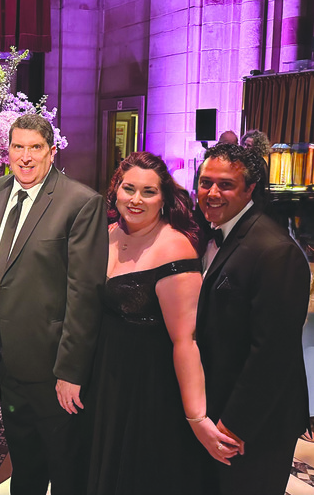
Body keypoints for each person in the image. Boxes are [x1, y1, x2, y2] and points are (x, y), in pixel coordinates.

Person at [84, 152, 240, 494]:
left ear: (164, 198)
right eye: (129, 188)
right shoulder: (108, 233)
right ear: (115, 192)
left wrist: (197, 417)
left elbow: (187, 340)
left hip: (149, 388)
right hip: (108, 380)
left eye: (149, 192)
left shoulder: (174, 248)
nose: (136, 199)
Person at [0, 114, 108, 495]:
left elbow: (84, 293)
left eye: (35, 148)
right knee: (25, 467)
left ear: (51, 152)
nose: (25, 157)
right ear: (7, 152)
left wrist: (70, 372)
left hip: (54, 370)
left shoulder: (81, 202)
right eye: (17, 147)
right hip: (8, 363)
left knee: (67, 470)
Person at [197, 143, 310, 495]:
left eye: (226, 184)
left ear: (249, 189)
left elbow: (272, 353)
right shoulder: (212, 236)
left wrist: (235, 425)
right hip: (219, 408)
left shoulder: (275, 251)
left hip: (256, 421)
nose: (212, 192)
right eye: (205, 182)